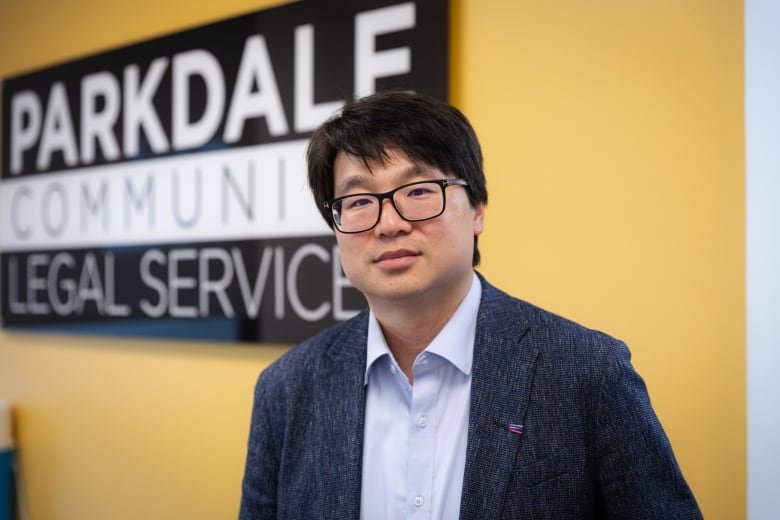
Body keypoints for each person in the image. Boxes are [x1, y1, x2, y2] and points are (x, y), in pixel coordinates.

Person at [239, 91, 702, 519]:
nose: (389, 224)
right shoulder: (286, 388)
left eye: (418, 191)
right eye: (359, 201)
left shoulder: (588, 372)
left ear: (477, 207)